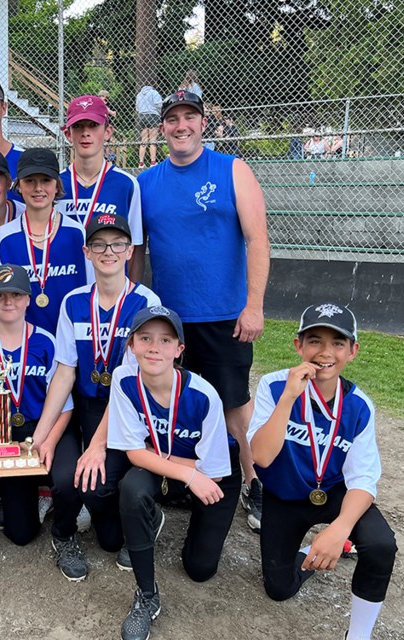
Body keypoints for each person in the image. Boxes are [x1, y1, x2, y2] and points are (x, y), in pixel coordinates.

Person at [137, 89, 271, 533]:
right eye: (172, 119)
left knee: (234, 405)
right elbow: (138, 251)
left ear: (203, 122)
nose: (181, 126)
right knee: (175, 405)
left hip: (222, 315)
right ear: (162, 127)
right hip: (169, 320)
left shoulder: (232, 169)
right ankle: (184, 482)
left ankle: (257, 482)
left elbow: (258, 240)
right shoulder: (147, 182)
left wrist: (253, 306)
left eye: (189, 117)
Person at [248, 302, 397, 640]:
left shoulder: (359, 405)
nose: (325, 352)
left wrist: (340, 528)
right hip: (284, 495)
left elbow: (362, 478)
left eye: (338, 343)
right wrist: (289, 398)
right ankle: (311, 552)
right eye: (314, 340)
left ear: (353, 351)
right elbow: (261, 457)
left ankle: (358, 634)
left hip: (333, 494)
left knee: (380, 544)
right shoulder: (274, 387)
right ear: (298, 345)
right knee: (279, 589)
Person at [30, 213, 161, 582]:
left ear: (129, 250)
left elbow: (127, 380)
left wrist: (98, 444)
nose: (109, 251)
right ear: (87, 251)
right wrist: (40, 433)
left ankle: (147, 516)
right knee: (69, 474)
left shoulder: (145, 302)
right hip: (84, 406)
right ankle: (64, 534)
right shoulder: (73, 301)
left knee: (108, 531)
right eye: (99, 244)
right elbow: (65, 372)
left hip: (127, 410)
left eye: (117, 243)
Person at [109, 305, 237, 640]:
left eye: (166, 340)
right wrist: (184, 473)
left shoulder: (204, 394)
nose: (154, 347)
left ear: (180, 350)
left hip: (212, 474)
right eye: (145, 338)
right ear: (131, 345)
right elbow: (134, 453)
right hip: (173, 468)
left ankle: (181, 515)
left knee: (199, 569)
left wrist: (189, 474)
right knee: (132, 490)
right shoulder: (124, 381)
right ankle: (146, 595)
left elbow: (214, 472)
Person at [0, 264, 71, 545]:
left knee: (66, 478)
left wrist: (44, 441)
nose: (8, 301)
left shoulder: (46, 341)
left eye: (15, 294)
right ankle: (14, 493)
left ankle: (62, 509)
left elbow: (65, 404)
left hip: (41, 428)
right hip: (3, 435)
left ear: (28, 298)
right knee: (21, 534)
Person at [0, 147, 93, 337]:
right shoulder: (4, 237)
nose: (38, 188)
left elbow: (91, 292)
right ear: (19, 186)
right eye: (30, 181)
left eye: (46, 180)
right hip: (24, 345)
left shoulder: (76, 233)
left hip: (71, 340)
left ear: (57, 186)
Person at [56, 94, 146, 283]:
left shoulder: (127, 184)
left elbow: (136, 247)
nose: (85, 133)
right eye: (78, 126)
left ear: (107, 132)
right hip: (64, 291)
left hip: (112, 294)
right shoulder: (55, 185)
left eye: (93, 126)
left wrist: (132, 299)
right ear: (67, 134)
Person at [135, 85, 163, 169]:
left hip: (142, 116)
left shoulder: (139, 94)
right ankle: (153, 162)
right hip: (152, 115)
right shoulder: (154, 92)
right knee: (152, 140)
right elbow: (159, 105)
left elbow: (137, 107)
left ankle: (141, 163)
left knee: (144, 140)